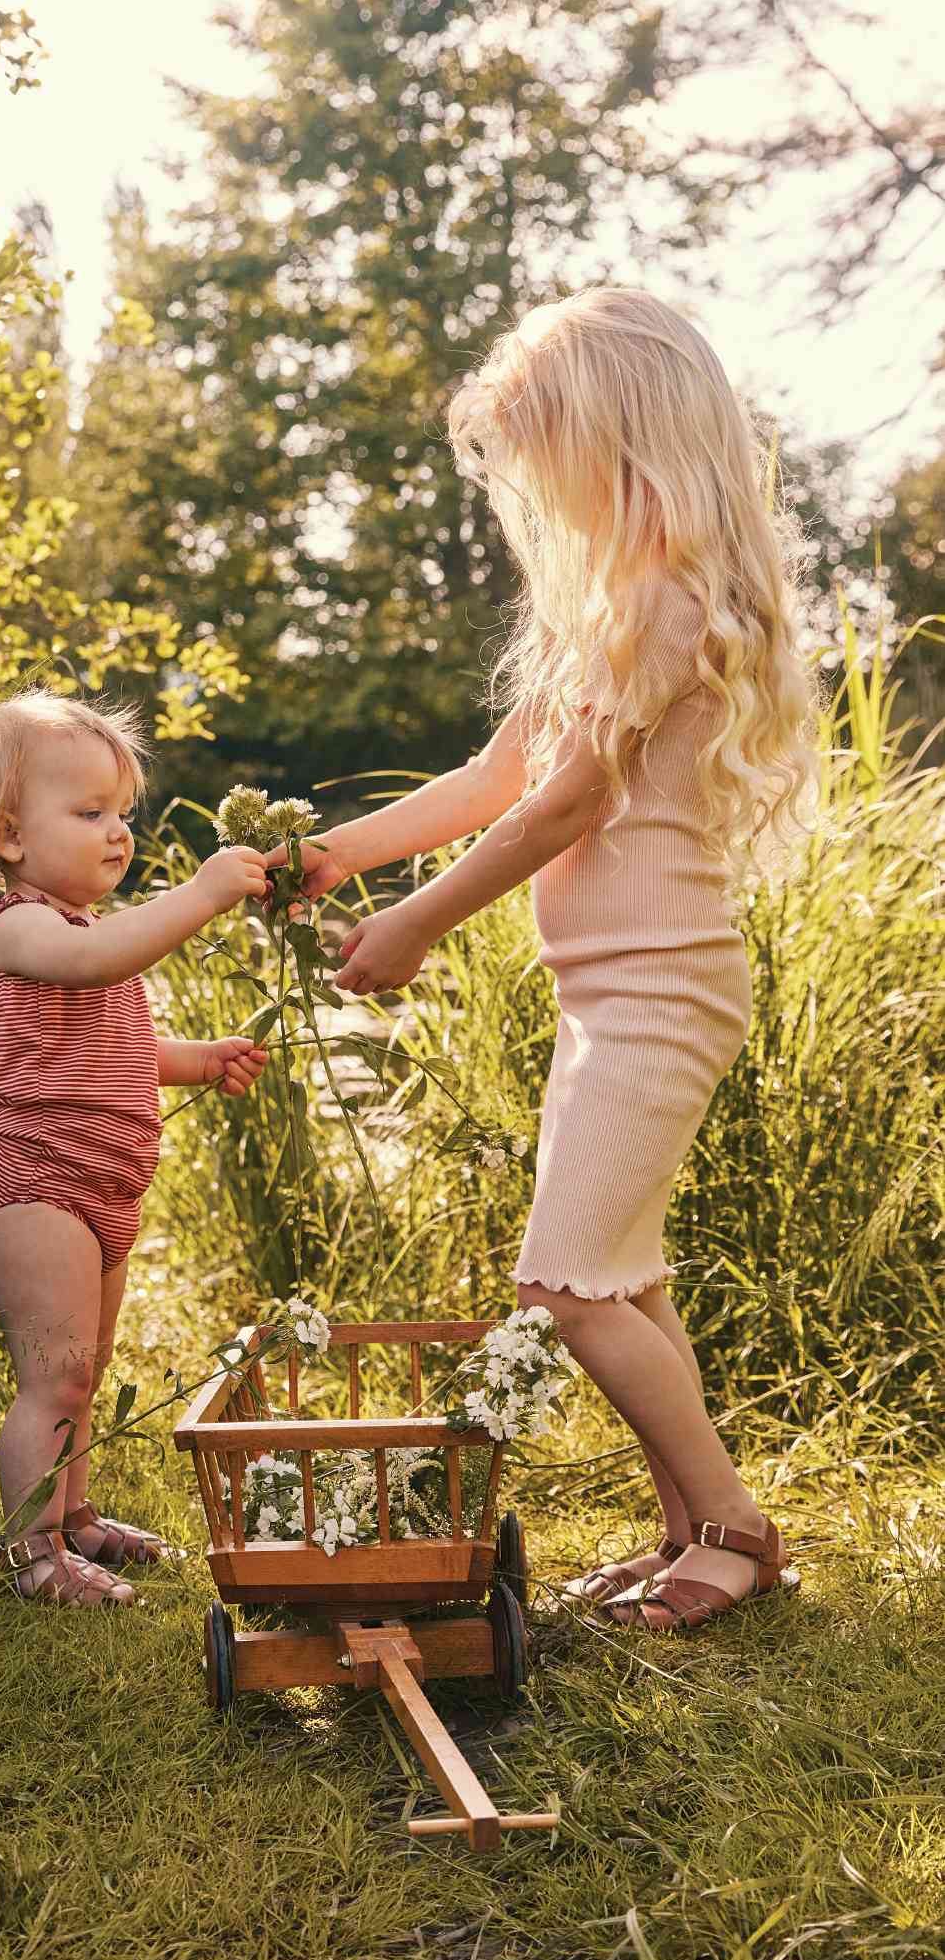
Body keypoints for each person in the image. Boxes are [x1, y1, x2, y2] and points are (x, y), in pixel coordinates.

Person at [273, 287, 819, 1633]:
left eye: (546, 451)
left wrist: (417, 922)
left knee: (563, 1287)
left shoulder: (669, 601)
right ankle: (685, 1527)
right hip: (608, 1000)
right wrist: (341, 855)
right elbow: (492, 776)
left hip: (661, 994)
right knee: (623, 1277)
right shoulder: (607, 612)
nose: (535, 488)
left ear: (620, 438)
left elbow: (569, 806)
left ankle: (737, 1531)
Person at [0, 691, 269, 1606]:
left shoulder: (83, 932)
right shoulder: (20, 927)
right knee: (55, 1373)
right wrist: (203, 893)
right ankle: (35, 1552)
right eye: (90, 813)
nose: (118, 832)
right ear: (10, 836)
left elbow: (119, 1043)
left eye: (122, 813)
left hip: (103, 1189)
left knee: (84, 1373)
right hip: (34, 1185)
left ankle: (75, 1515)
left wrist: (197, 1061)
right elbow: (103, 966)